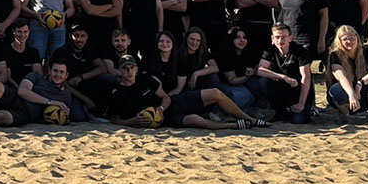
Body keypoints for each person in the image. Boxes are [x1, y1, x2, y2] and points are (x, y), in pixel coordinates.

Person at [107, 56, 267, 130]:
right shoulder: (117, 93)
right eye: (125, 68)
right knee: (195, 120)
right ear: (119, 71)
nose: (129, 71)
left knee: (215, 92)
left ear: (136, 68)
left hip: (172, 105)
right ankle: (232, 126)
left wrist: (160, 110)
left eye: (131, 68)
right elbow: (114, 120)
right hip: (163, 121)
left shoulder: (146, 79)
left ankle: (250, 119)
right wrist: (134, 121)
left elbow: (165, 98)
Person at [0, 59, 74, 128]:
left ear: (66, 75)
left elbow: (65, 117)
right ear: (50, 71)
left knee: (0, 116)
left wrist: (64, 116)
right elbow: (22, 91)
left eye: (61, 72)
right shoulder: (36, 76)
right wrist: (49, 102)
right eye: (55, 71)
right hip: (16, 99)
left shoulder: (66, 95)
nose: (57, 75)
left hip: (25, 115)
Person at [326, 24, 368, 124]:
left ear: (357, 38)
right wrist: (351, 94)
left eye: (352, 37)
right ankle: (344, 114)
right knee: (336, 89)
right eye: (345, 39)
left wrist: (360, 83)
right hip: (346, 96)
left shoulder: (367, 52)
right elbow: (341, 76)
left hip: (363, 96)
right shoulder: (335, 55)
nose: (349, 41)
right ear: (340, 42)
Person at [50, 23, 109, 120]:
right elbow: (62, 82)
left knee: (109, 79)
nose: (79, 39)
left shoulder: (90, 48)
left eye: (82, 36)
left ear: (87, 37)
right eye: (76, 36)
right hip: (69, 90)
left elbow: (102, 68)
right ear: (70, 36)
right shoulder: (62, 52)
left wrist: (81, 77)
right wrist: (85, 100)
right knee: (79, 117)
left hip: (87, 84)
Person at [257, 23, 314, 124]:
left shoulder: (300, 51)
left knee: (298, 120)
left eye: (283, 37)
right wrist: (283, 77)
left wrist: (301, 103)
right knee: (264, 82)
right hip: (281, 88)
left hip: (299, 90)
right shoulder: (270, 50)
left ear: (290, 38)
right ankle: (281, 112)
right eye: (277, 37)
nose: (280, 40)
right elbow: (260, 70)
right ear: (272, 38)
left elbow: (306, 77)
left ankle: (307, 108)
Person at [216, 26, 265, 113]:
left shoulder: (249, 51)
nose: (242, 40)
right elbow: (232, 80)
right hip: (227, 83)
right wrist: (247, 77)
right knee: (243, 96)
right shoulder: (225, 54)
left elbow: (257, 65)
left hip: (244, 81)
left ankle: (254, 107)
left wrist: (255, 70)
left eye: (244, 38)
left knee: (261, 83)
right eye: (238, 38)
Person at [2, 19, 43, 88]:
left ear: (29, 32)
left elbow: (38, 74)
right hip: (12, 88)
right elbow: (7, 77)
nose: (22, 35)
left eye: (25, 32)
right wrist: (19, 88)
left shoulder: (33, 52)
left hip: (30, 88)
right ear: (13, 32)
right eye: (19, 32)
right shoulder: (6, 51)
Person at [141, 30, 184, 96]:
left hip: (173, 95)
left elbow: (179, 88)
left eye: (168, 41)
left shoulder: (179, 61)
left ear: (173, 43)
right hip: (152, 94)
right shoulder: (148, 58)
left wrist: (166, 99)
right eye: (161, 41)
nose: (164, 44)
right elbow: (143, 76)